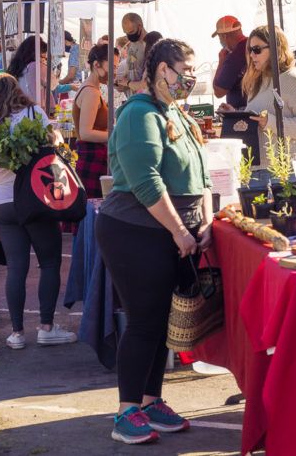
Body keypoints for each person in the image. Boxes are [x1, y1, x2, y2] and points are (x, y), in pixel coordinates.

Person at [95, 38, 212, 445]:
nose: (190, 82)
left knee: (161, 321)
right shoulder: (138, 115)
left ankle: (150, 401)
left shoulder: (176, 112)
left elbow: (204, 172)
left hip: (170, 231)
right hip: (136, 231)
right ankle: (126, 411)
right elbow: (146, 182)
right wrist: (179, 230)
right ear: (162, 69)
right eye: (185, 73)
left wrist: (206, 221)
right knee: (144, 320)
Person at [0, 74, 77, 350]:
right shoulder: (34, 113)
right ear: (17, 90)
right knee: (48, 263)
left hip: (2, 203)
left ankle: (17, 333)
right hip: (36, 200)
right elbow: (55, 142)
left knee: (16, 268)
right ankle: (46, 327)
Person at [236, 26, 296, 161]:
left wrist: (270, 122)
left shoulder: (294, 80)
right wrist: (235, 115)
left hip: (285, 171)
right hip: (258, 168)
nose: (252, 55)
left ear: (276, 49)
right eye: (250, 50)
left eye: (257, 50)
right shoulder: (259, 81)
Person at [74, 44, 117, 198]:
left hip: (94, 158)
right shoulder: (91, 92)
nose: (114, 71)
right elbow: (85, 133)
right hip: (92, 160)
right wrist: (115, 134)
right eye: (111, 66)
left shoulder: (92, 89)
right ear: (96, 64)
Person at [211, 16, 248, 109]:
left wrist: (221, 61)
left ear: (224, 36)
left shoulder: (234, 56)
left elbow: (218, 92)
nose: (220, 41)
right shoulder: (251, 44)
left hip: (243, 113)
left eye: (219, 37)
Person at [6, 37, 49, 111]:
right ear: (35, 53)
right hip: (34, 108)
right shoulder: (35, 66)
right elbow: (52, 84)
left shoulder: (18, 65)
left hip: (18, 107)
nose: (43, 60)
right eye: (43, 57)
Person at [121, 13, 149, 97]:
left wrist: (128, 83)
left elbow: (147, 83)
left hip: (144, 99)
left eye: (131, 32)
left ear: (140, 26)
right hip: (132, 98)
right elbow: (130, 70)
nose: (129, 36)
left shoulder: (150, 45)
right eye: (126, 33)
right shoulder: (131, 45)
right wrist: (122, 84)